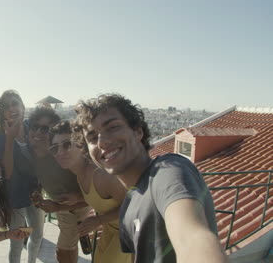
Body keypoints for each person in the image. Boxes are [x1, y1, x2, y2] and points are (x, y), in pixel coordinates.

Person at [72, 94, 227, 263]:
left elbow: (192, 238)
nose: (102, 141)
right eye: (93, 138)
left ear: (138, 131)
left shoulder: (168, 171)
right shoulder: (128, 207)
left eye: (113, 127)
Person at [48, 121, 131, 263]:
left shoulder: (99, 174)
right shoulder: (80, 174)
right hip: (111, 230)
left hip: (127, 233)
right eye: (54, 148)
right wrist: (75, 199)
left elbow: (135, 204)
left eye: (67, 145)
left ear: (80, 145)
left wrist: (98, 220)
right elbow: (104, 199)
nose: (60, 152)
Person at [27, 107, 91, 263]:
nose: (38, 132)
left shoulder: (63, 154)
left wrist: (76, 198)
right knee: (70, 243)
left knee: (63, 251)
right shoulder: (31, 154)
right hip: (60, 206)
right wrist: (38, 191)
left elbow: (95, 194)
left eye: (45, 129)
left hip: (78, 206)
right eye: (35, 127)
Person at [0, 90, 44, 263]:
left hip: (35, 192)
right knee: (16, 242)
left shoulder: (34, 127)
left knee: (37, 234)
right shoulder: (0, 136)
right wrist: (9, 139)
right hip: (14, 195)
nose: (11, 109)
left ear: (22, 107)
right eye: (6, 106)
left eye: (14, 103)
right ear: (1, 113)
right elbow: (7, 172)